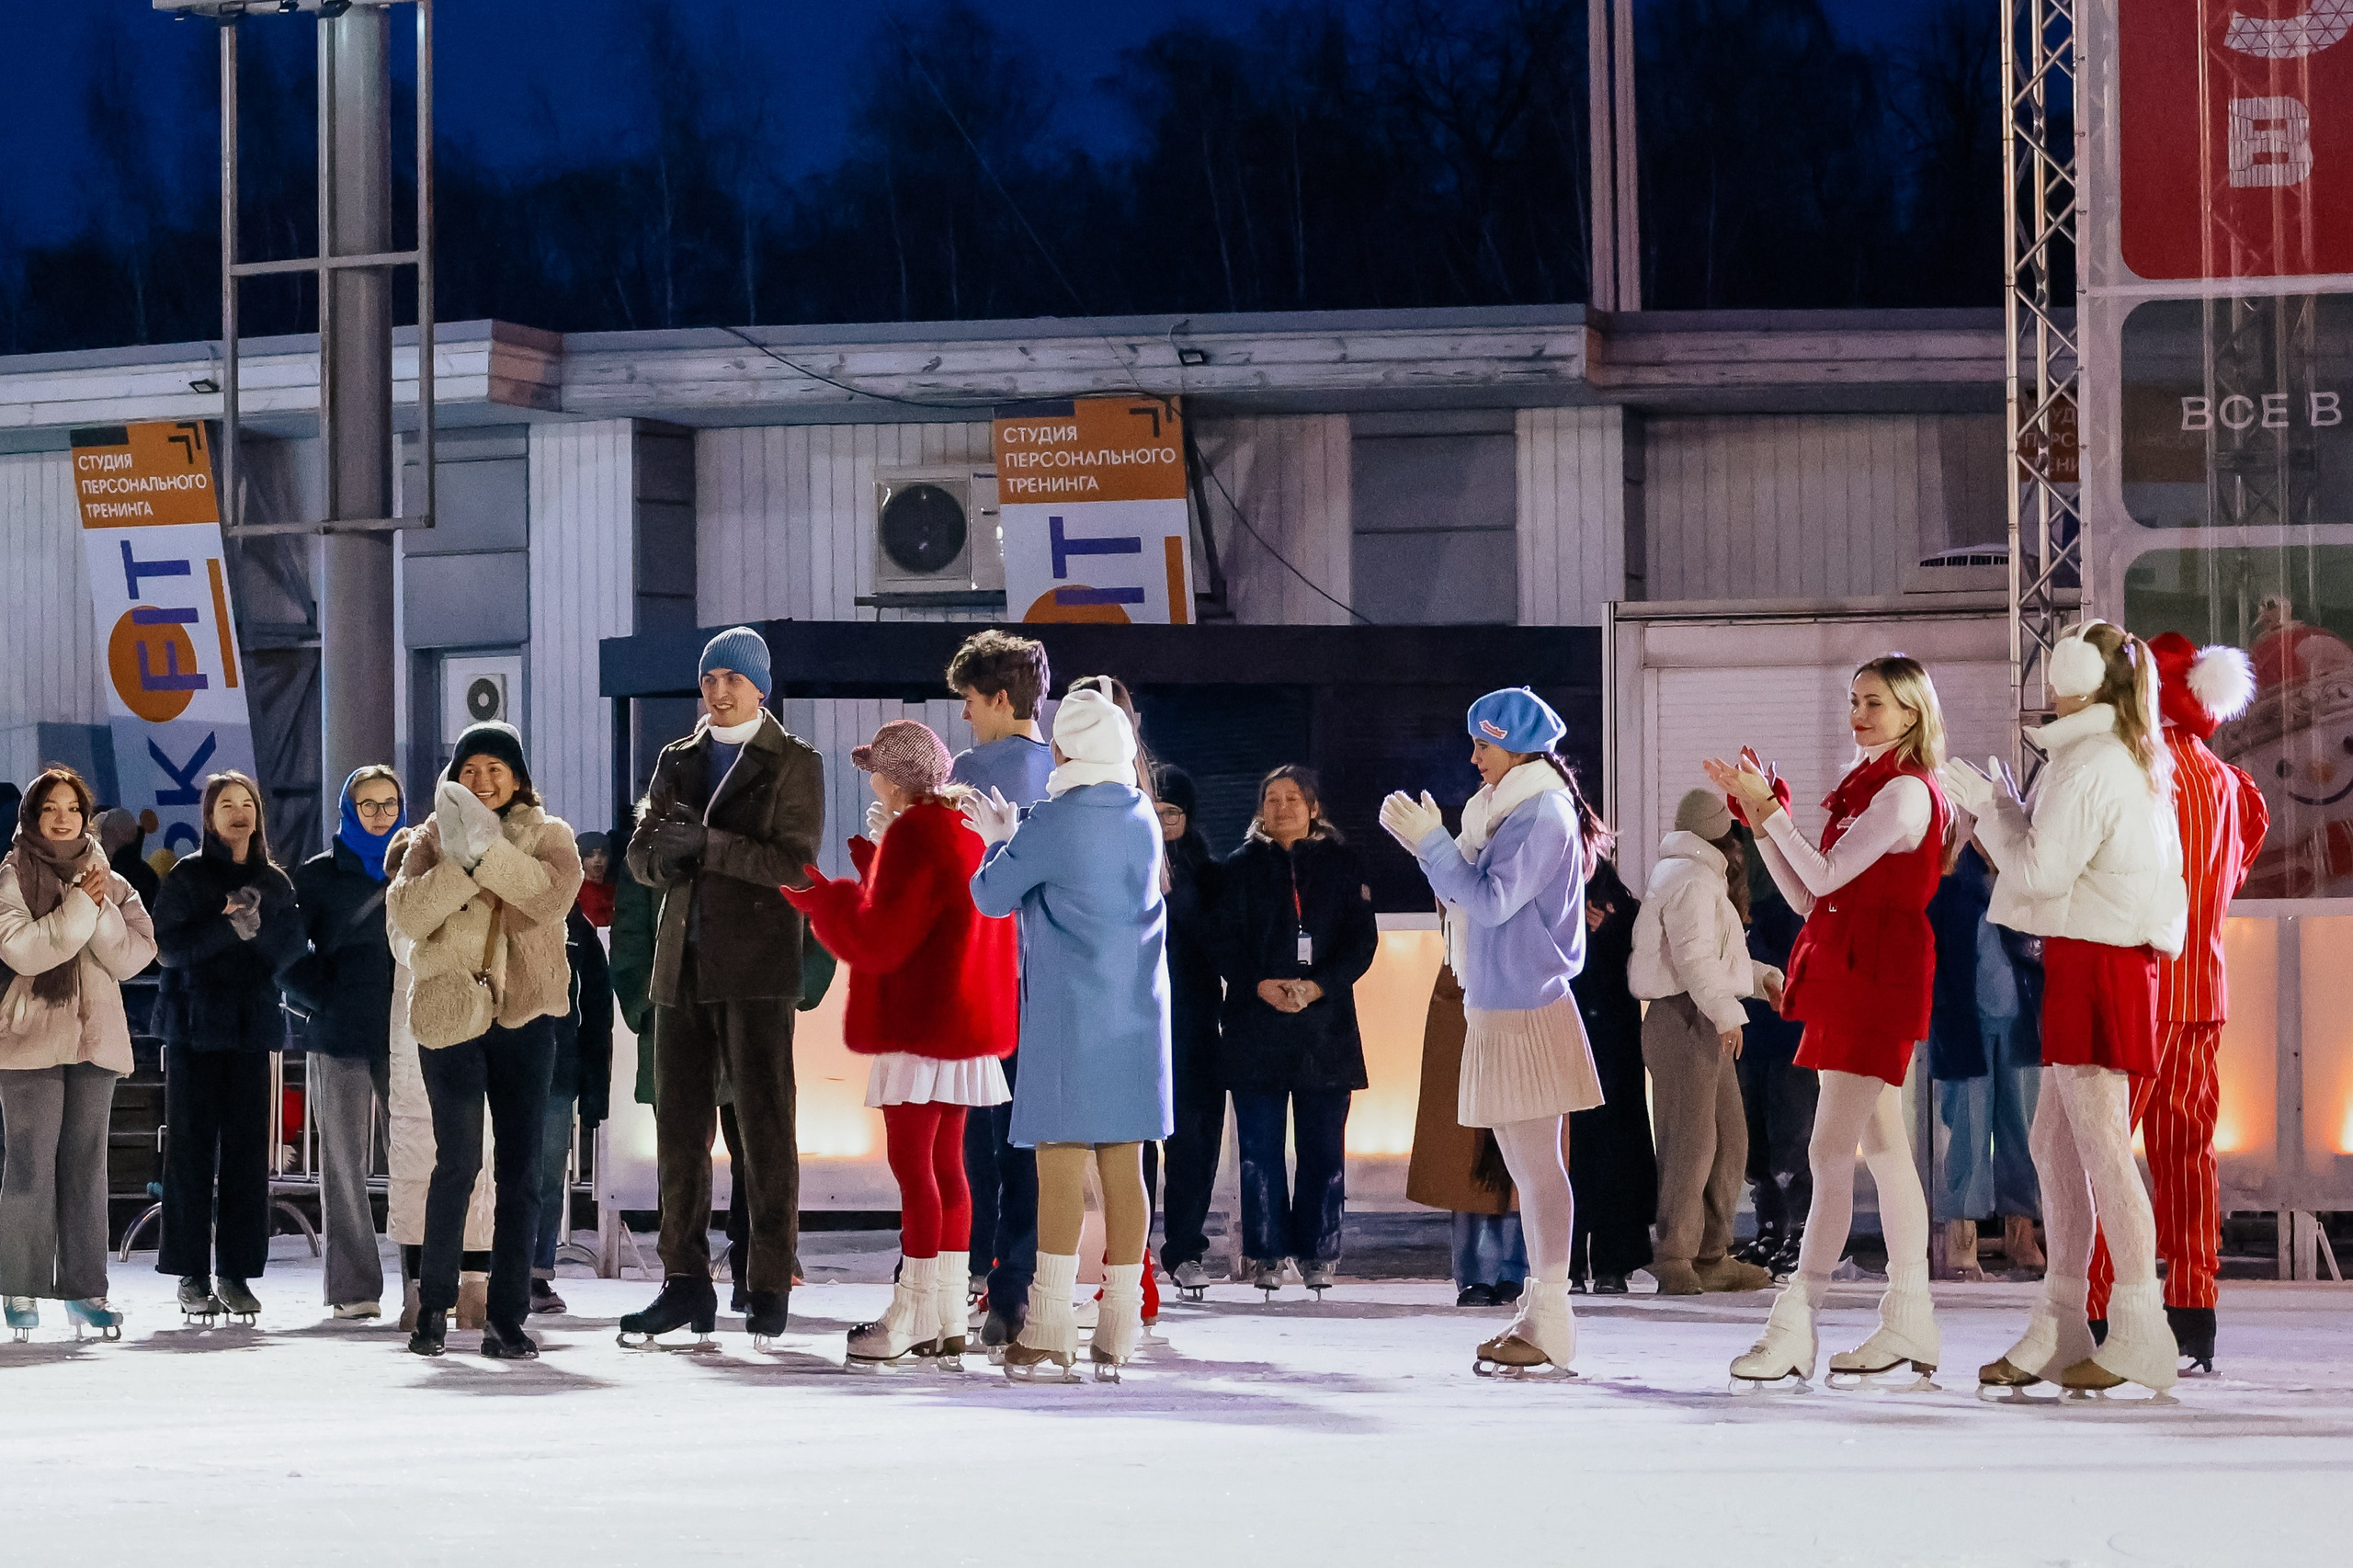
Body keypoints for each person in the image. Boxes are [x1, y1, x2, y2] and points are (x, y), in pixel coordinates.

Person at [1948, 623, 2190, 1396]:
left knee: (2100, 1150)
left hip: (2098, 964)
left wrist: (1993, 812)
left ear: (2079, 678)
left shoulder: (2094, 764)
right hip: (2094, 961)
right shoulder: (2116, 756)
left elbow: (2042, 873)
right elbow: (2051, 863)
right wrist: (2008, 810)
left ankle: (2139, 1325)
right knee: (2059, 1144)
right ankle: (2065, 1317)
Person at [1708, 653, 1951, 1390]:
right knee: (1880, 1149)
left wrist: (1770, 815)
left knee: (1829, 1150)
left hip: (1874, 976)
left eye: (1874, 702)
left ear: (1912, 712)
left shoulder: (1905, 794)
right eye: (1854, 701)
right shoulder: (1878, 790)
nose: (1859, 714)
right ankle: (1907, 1316)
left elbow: (1817, 878)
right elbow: (1811, 894)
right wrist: (1762, 820)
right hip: (1857, 970)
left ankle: (1797, 1320)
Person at [1381, 687, 1611, 1377]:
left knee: (1539, 1169)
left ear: (1515, 747)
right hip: (1501, 1004)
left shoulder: (1539, 813)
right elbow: (1469, 896)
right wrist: (1433, 850)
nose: (1474, 757)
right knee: (1528, 1168)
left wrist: (1431, 845)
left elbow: (1487, 899)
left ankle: (1553, 1318)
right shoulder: (1503, 810)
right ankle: (1542, 1316)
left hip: (1527, 1008)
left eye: (1484, 744)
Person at [784, 720, 1018, 1364]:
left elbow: (881, 940)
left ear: (893, 779)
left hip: (919, 1021)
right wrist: (873, 870)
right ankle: (944, 1312)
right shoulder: (964, 830)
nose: (874, 783)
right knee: (950, 1168)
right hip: (961, 1023)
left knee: (916, 1169)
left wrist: (827, 904)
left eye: (876, 772)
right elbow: (941, 910)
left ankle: (914, 1310)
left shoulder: (915, 833)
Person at [622, 627, 824, 1346]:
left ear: (759, 687)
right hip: (682, 963)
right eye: (709, 679)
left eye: (731, 678)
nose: (717, 690)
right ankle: (684, 1283)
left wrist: (707, 846)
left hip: (759, 967)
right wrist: (662, 860)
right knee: (679, 1132)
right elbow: (640, 858)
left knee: (765, 1134)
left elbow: (797, 867)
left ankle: (767, 1282)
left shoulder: (793, 761)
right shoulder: (678, 757)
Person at [966, 684, 1171, 1381]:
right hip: (1138, 1016)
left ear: (1065, 750)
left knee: (1056, 1165)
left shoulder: (1056, 819)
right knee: (1126, 1164)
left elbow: (991, 897)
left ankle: (1049, 1322)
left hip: (1067, 1016)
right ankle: (1118, 1324)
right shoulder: (1141, 813)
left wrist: (1001, 841)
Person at [2085, 634, 2266, 1374]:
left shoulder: (2130, 770)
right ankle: (2195, 1309)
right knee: (2188, 1156)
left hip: (2136, 987)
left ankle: (2100, 1307)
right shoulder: (2230, 784)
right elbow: (2239, 865)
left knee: (2105, 1153)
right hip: (2201, 990)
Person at [386, 722, 584, 1358]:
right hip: (450, 1015)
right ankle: (433, 1309)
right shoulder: (426, 838)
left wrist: (486, 853)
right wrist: (463, 862)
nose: (483, 780)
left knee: (522, 1173)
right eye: (470, 769)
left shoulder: (552, 836)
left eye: (496, 768)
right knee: (457, 1164)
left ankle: (507, 1316)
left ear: (518, 777)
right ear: (454, 777)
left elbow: (551, 899)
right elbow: (410, 914)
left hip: (526, 1016)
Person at [0, 767, 157, 1339]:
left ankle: (86, 1290)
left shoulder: (110, 880)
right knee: (30, 1166)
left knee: (87, 1166)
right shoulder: (12, 876)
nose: (63, 817)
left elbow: (134, 957)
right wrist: (80, 910)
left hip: (96, 1040)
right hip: (28, 1040)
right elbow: (24, 951)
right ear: (33, 817)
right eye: (50, 808)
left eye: (72, 807)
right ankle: (20, 1285)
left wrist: (100, 905)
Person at [1208, 766, 1375, 1296]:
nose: (1281, 808)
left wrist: (1317, 986)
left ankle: (1320, 1251)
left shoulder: (1344, 865)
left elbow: (1360, 943)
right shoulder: (1237, 867)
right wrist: (1256, 982)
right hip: (1256, 1026)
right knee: (1258, 1148)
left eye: (1293, 799)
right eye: (1272, 799)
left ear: (1314, 809)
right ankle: (1265, 1252)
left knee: (1324, 1148)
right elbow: (1221, 941)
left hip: (1324, 1030)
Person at [151, 771, 303, 1325]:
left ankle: (236, 1273)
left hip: (250, 1027)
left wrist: (257, 927)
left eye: (247, 804)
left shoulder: (277, 883)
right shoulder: (189, 877)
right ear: (210, 818)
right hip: (194, 1027)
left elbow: (288, 952)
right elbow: (165, 949)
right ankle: (190, 1273)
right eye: (226, 805)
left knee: (246, 1155)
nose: (238, 813)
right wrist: (224, 929)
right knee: (191, 1150)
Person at [944, 629, 1053, 1349]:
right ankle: (1014, 1288)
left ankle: (959, 1282)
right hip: (1047, 980)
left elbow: (956, 882)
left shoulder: (971, 768)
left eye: (971, 702)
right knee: (1030, 1142)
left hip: (983, 977)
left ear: (1001, 699)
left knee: (972, 1141)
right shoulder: (1064, 771)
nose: (964, 716)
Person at [1629, 790, 1779, 1297]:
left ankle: (1712, 1254)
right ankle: (1675, 1256)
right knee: (1690, 1147)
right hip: (1683, 1019)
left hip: (1702, 1017)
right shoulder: (1690, 880)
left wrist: (1763, 982)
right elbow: (1694, 963)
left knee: (1728, 1141)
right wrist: (1727, 1015)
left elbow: (1713, 961)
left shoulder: (1698, 877)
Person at [282, 766, 405, 1320]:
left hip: (410, 1031)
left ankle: (428, 1277)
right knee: (342, 1163)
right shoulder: (318, 876)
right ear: (348, 810)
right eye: (368, 804)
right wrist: (321, 999)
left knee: (419, 1157)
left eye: (388, 803)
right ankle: (354, 1285)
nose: (379, 814)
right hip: (340, 1034)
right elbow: (283, 954)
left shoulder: (419, 867)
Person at [1925, 840, 2044, 1281]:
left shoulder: (2028, 883)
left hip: (2020, 1026)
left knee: (2022, 1130)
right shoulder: (1949, 888)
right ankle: (1962, 1230)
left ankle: (2021, 1228)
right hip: (1964, 1027)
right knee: (1967, 1132)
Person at [1154, 765, 1226, 1296]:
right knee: (1130, 1144)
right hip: (1136, 1022)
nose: (1163, 823)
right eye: (1154, 813)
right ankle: (1129, 1252)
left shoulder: (1210, 871)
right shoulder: (1123, 863)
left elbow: (1225, 946)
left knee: (1194, 1142)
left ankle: (1184, 1248)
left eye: (1172, 812)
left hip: (1196, 1023)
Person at [1568, 858, 1654, 1294]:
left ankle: (1597, 1264)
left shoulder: (1623, 909)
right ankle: (1595, 1265)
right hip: (1595, 1040)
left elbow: (1640, 964)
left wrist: (1608, 931)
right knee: (1591, 1154)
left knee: (1591, 1153)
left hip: (1595, 1041)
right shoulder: (1615, 903)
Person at [1731, 839, 1814, 1278]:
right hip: (1752, 1040)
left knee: (1792, 1141)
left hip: (1789, 1041)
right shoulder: (1734, 910)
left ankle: (1802, 1232)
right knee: (1757, 1144)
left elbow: (1787, 968)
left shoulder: (1783, 911)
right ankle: (1769, 1229)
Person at [532, 891, 614, 1314]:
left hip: (558, 1070)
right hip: (503, 1064)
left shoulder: (576, 927)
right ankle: (483, 1269)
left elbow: (597, 1012)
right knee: (494, 1173)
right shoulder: (504, 906)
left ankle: (536, 1272)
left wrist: (595, 1089)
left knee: (545, 1179)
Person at [96, 808, 161, 915]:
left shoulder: (113, 874)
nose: (101, 841)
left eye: (104, 834)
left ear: (115, 834)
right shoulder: (149, 875)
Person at [574, 831, 617, 929]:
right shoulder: (574, 891)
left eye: (603, 854)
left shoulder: (616, 891)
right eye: (590, 855)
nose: (597, 859)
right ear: (581, 858)